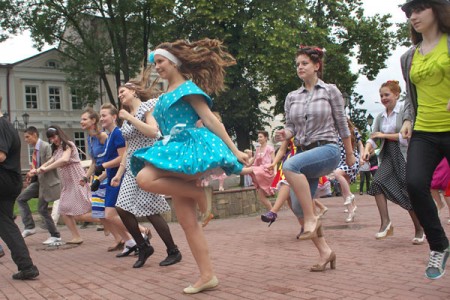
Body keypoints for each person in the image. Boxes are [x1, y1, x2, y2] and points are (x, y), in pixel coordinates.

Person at [131, 39, 248, 293]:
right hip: (170, 150)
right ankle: (207, 276)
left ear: (174, 62)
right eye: (155, 63)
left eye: (160, 61)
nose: (157, 67)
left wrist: (234, 149)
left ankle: (197, 191)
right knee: (187, 223)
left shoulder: (188, 89)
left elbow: (210, 120)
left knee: (143, 177)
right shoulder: (164, 96)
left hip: (185, 151)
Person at [275, 45, 356, 271]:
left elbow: (342, 124)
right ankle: (325, 252)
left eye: (304, 63)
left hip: (328, 150)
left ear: (316, 66)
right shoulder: (292, 97)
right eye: (298, 64)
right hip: (304, 154)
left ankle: (312, 217)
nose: (300, 67)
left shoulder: (330, 91)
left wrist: (349, 154)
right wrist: (285, 133)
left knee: (289, 165)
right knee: (298, 207)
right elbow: (290, 127)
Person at [399, 0, 450, 280]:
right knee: (415, 184)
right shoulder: (410, 56)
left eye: (418, 10)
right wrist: (407, 119)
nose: (413, 16)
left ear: (437, 10)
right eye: (409, 13)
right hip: (425, 130)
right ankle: (439, 245)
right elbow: (410, 94)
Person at [111, 77, 182, 269]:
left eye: (122, 92)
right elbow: (128, 148)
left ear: (133, 91)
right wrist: (119, 173)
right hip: (132, 168)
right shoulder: (126, 118)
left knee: (151, 210)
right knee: (122, 208)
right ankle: (143, 246)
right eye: (118, 94)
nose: (120, 95)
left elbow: (152, 131)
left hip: (147, 165)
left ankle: (173, 250)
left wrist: (130, 118)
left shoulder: (147, 107)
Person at [362, 80, 424, 243]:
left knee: (407, 189)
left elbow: (405, 137)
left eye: (387, 95)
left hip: (404, 153)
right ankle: (385, 223)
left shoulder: (404, 111)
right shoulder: (380, 117)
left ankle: (419, 228)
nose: (383, 98)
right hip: (388, 154)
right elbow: (373, 137)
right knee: (377, 183)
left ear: (397, 95)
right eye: (381, 95)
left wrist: (383, 136)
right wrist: (366, 149)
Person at [0, 97, 39, 280]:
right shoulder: (6, 126)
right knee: (6, 223)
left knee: (4, 222)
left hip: (4, 179)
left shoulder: (0, 126)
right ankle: (26, 266)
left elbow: (1, 155)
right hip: (9, 180)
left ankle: (27, 265)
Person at [33, 125, 93, 244]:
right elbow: (51, 161)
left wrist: (46, 169)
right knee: (64, 209)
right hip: (68, 183)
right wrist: (38, 170)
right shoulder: (57, 149)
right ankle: (77, 236)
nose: (53, 140)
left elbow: (64, 160)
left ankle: (107, 220)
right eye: (51, 138)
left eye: (54, 136)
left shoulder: (68, 145)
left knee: (85, 209)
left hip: (77, 180)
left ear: (59, 134)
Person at [80, 107, 124, 251]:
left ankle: (139, 232)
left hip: (107, 175)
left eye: (84, 119)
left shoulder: (105, 136)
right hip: (99, 176)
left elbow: (114, 157)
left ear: (93, 121)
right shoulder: (90, 138)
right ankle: (120, 239)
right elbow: (94, 162)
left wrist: (103, 172)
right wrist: (86, 178)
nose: (81, 122)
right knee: (102, 213)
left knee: (108, 212)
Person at [98, 104, 137, 256]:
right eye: (100, 116)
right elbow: (109, 163)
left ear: (114, 117)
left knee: (110, 215)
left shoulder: (118, 134)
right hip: (111, 179)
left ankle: (140, 236)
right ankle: (130, 242)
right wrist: (99, 178)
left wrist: (103, 166)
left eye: (104, 115)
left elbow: (123, 158)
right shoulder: (109, 136)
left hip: (118, 179)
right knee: (113, 216)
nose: (101, 118)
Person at [16, 126, 62, 244]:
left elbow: (49, 164)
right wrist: (32, 175)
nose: (26, 140)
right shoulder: (35, 149)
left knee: (42, 209)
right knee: (21, 199)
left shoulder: (45, 146)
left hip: (47, 183)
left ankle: (55, 235)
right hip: (38, 182)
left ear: (35, 135)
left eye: (27, 137)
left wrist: (36, 171)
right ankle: (30, 227)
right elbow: (37, 165)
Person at [333, 119, 364, 223]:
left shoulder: (353, 130)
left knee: (337, 173)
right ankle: (351, 211)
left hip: (351, 159)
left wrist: (361, 157)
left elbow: (360, 144)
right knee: (343, 187)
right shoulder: (335, 132)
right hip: (340, 160)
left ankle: (350, 196)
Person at [247, 131, 275, 210]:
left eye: (261, 137)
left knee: (252, 169)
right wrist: (245, 165)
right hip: (258, 173)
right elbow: (252, 160)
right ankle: (272, 212)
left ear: (266, 138)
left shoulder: (270, 148)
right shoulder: (258, 149)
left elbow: (274, 161)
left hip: (266, 171)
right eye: (258, 137)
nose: (259, 139)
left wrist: (275, 172)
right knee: (261, 198)